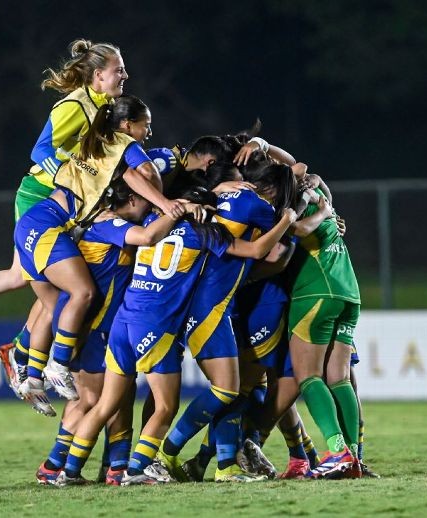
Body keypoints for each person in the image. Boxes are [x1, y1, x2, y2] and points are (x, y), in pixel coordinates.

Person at [0, 39, 129, 377]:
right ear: (97, 76)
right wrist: (67, 177)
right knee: (49, 290)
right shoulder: (75, 106)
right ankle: (22, 356)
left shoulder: (104, 108)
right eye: (118, 70)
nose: (124, 75)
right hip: (40, 199)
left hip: (66, 205)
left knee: (41, 283)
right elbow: (40, 150)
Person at [15, 95, 185, 405]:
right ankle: (57, 365)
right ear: (126, 125)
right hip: (48, 225)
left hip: (36, 223)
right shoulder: (123, 145)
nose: (148, 132)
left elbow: (131, 175)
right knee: (83, 293)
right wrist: (166, 204)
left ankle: (30, 376)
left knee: (52, 305)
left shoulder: (98, 141)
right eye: (144, 125)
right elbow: (144, 172)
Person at [35, 179, 196, 485]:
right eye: (147, 199)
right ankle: (56, 467)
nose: (152, 203)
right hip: (92, 327)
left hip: (104, 325)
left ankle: (114, 467)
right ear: (133, 199)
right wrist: (176, 210)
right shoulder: (108, 223)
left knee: (117, 398)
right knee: (93, 400)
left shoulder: (108, 223)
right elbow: (148, 236)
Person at [157, 162, 298, 483]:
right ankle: (168, 450)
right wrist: (294, 215)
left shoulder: (218, 199)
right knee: (227, 389)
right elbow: (281, 248)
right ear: (276, 192)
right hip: (212, 308)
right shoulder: (257, 204)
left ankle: (225, 467)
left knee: (232, 390)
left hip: (208, 304)